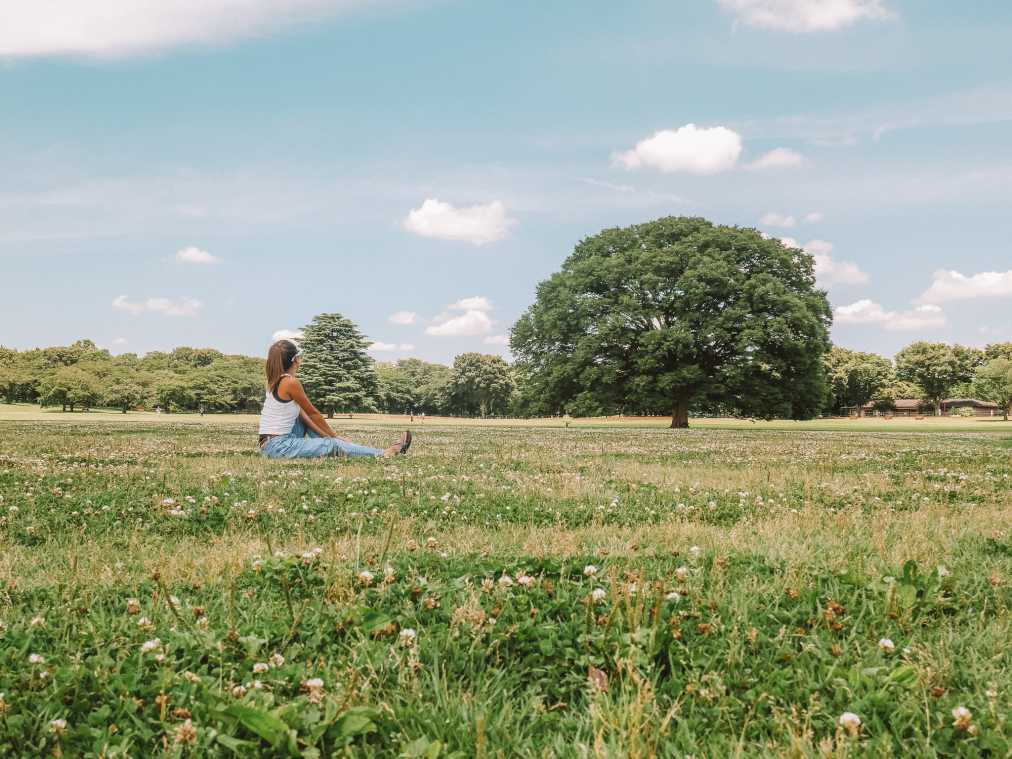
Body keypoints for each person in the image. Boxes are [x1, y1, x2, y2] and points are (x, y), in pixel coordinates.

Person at [258, 339, 411, 459]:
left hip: (272, 444)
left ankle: (334, 446)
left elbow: (305, 417)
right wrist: (334, 439)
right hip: (278, 447)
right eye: (300, 356)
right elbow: (313, 414)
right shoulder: (290, 382)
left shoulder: (276, 380)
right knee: (332, 445)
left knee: (312, 426)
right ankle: (383, 453)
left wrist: (332, 436)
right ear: (296, 359)